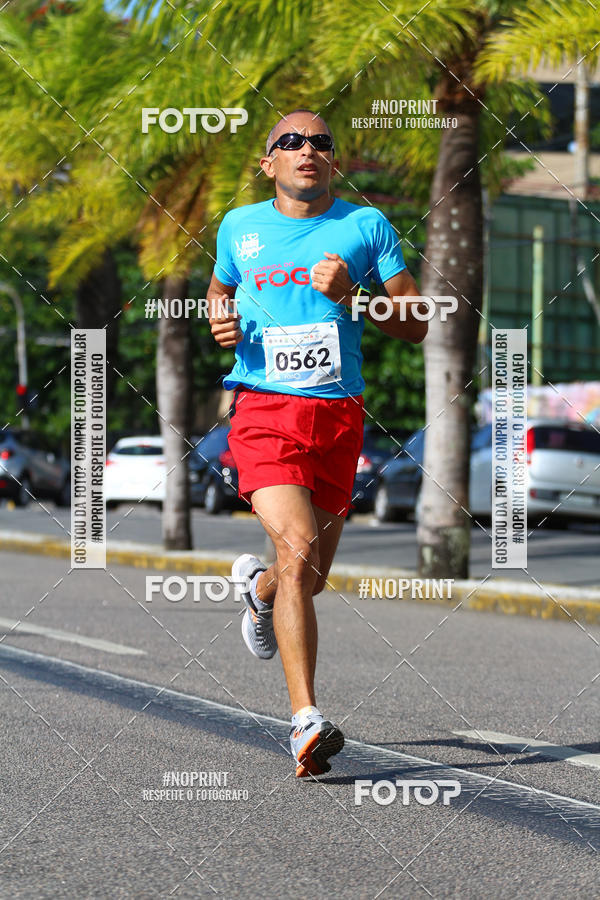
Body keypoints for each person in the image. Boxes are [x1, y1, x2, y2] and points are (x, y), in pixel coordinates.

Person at [208, 109, 427, 778]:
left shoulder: (366, 228)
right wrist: (220, 320)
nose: (307, 149)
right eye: (290, 142)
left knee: (311, 574)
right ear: (268, 162)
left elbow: (417, 322)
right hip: (264, 411)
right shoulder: (239, 226)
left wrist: (357, 295)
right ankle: (306, 722)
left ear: (334, 161)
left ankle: (261, 592)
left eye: (320, 142)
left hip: (337, 417)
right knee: (300, 550)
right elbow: (220, 289)